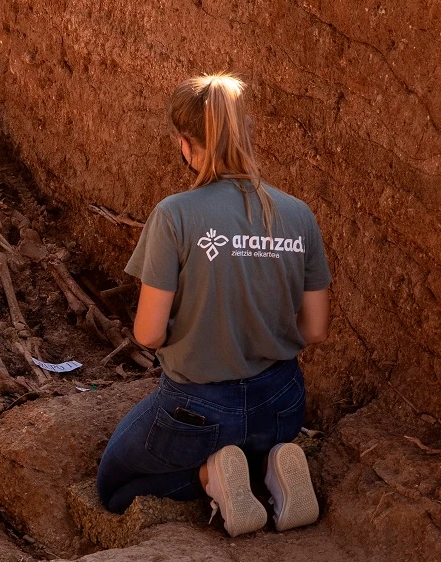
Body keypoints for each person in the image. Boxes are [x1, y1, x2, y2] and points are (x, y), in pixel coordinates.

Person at [95, 73, 331, 538]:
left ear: (185, 143)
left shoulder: (175, 214)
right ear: (246, 131)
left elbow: (148, 334)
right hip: (282, 404)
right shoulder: (298, 214)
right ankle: (270, 467)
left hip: (198, 408)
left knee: (114, 485)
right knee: (253, 434)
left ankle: (210, 475)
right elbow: (316, 329)